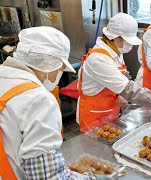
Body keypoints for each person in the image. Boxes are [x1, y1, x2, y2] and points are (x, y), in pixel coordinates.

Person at [0, 26, 101, 179]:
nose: (58, 76)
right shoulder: (38, 99)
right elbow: (49, 177)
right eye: (60, 69)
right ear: (48, 61)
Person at [77, 13, 151, 132]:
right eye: (127, 41)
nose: (129, 46)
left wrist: (120, 94)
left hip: (109, 111)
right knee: (93, 149)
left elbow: (123, 75)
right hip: (93, 116)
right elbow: (128, 88)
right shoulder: (99, 59)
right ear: (116, 37)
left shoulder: (115, 51)